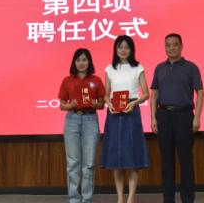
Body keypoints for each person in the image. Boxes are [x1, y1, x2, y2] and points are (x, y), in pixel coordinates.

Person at [150, 34, 204, 203]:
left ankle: (187, 199)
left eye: (175, 44)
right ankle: (168, 199)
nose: (171, 48)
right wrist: (153, 118)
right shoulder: (159, 68)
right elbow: (154, 94)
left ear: (181, 46)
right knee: (166, 162)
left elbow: (200, 92)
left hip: (184, 116)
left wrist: (197, 118)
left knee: (186, 161)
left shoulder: (191, 67)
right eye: (168, 45)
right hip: (163, 115)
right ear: (164, 47)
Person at [101, 36, 150, 203]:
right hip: (114, 113)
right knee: (117, 157)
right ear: (115, 49)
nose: (123, 50)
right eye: (120, 47)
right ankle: (120, 197)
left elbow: (146, 94)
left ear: (131, 49)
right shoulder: (110, 69)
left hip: (131, 111)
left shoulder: (138, 68)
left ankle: (131, 198)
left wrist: (134, 103)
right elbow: (106, 94)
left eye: (126, 47)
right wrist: (109, 104)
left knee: (132, 156)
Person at [58, 48, 105, 203]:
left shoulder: (96, 80)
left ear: (89, 62)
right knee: (73, 163)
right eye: (78, 60)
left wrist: (96, 104)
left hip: (90, 120)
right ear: (74, 62)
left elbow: (101, 104)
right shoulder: (67, 80)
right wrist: (70, 105)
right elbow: (62, 105)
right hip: (72, 120)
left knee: (89, 164)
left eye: (84, 60)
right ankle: (73, 199)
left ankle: (87, 199)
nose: (81, 63)